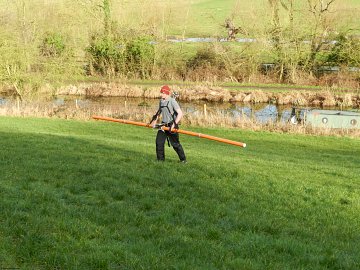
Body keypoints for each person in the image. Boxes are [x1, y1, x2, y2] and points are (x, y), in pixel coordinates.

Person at [150, 85, 187, 163]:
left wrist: (174, 124)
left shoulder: (172, 101)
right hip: (163, 125)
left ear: (166, 93)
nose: (161, 94)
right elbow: (159, 112)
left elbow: (180, 113)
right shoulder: (161, 101)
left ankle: (183, 160)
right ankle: (160, 160)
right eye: (161, 93)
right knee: (159, 142)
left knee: (175, 144)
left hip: (172, 125)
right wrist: (154, 121)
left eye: (162, 93)